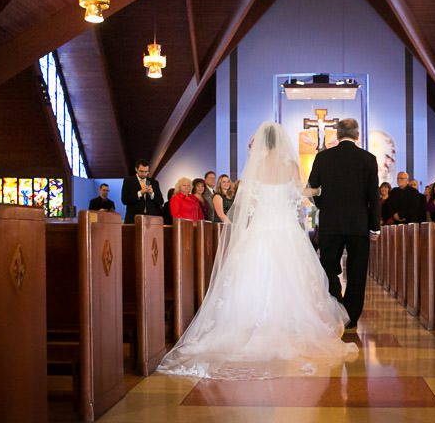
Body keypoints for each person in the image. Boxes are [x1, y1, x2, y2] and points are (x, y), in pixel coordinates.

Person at [158, 122, 357, 379]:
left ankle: (246, 327)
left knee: (252, 275)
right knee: (292, 278)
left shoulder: (257, 167)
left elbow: (248, 201)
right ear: (281, 141)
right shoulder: (290, 165)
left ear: (263, 142)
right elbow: (301, 192)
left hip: (261, 228)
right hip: (286, 229)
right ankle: (289, 328)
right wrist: (322, 189)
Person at [308, 118, 380, 331]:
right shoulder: (368, 159)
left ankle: (336, 305)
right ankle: (352, 316)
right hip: (359, 223)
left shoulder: (323, 158)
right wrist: (374, 226)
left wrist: (324, 205)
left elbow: (312, 188)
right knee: (357, 270)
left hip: (331, 222)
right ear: (357, 135)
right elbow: (373, 196)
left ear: (337, 135)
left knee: (328, 265)